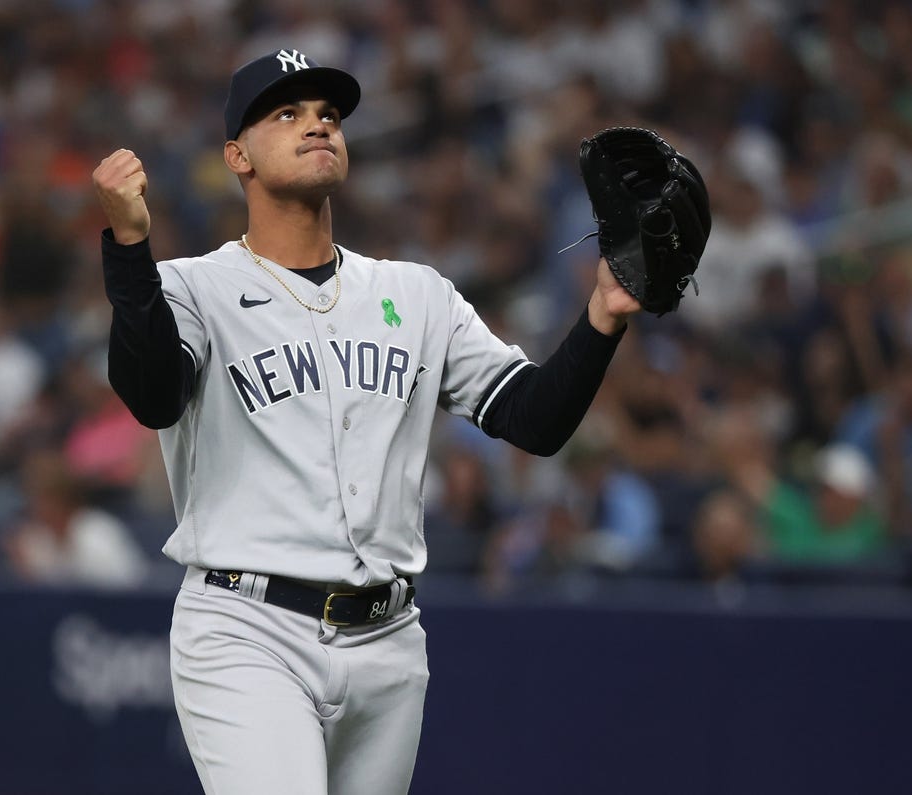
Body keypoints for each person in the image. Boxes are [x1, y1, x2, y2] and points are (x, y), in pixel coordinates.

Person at [92, 49, 641, 795]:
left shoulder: (415, 293)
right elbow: (153, 395)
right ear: (237, 156)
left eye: (328, 115)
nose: (317, 125)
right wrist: (129, 251)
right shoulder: (192, 287)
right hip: (247, 628)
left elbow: (532, 419)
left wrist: (602, 317)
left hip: (388, 640)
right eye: (287, 114)